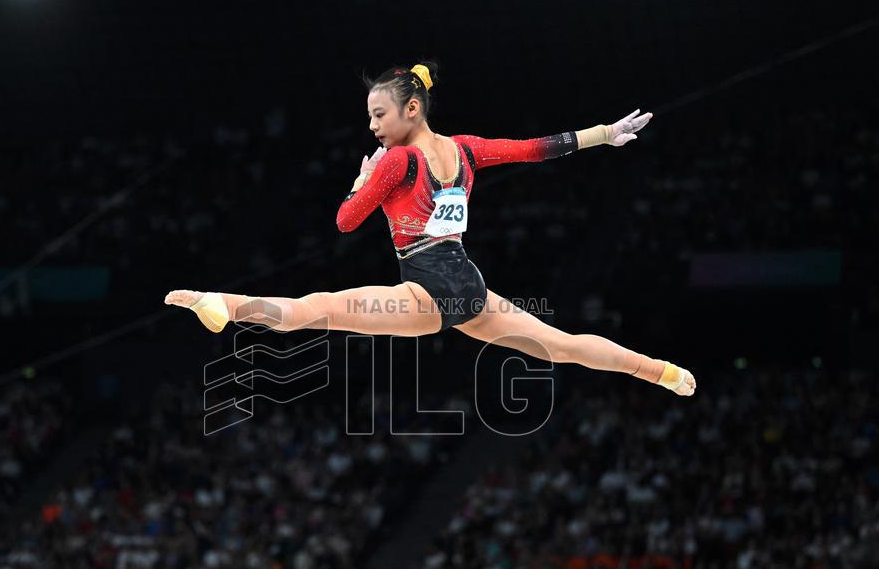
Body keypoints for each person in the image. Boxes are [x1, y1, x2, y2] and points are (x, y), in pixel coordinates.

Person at [166, 62, 695, 396]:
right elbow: (534, 148)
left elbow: (346, 221)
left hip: (428, 290)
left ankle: (221, 302)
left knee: (318, 309)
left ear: (411, 108)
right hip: (470, 286)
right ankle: (658, 371)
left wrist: (361, 180)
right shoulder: (464, 149)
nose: (372, 126)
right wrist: (605, 133)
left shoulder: (397, 162)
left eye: (379, 115)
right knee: (563, 345)